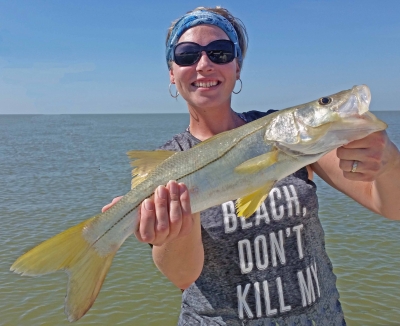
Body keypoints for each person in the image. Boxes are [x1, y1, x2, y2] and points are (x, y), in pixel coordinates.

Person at [102, 6, 400, 325]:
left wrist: (389, 163)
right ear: (172, 73)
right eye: (187, 55)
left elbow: (393, 206)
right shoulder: (166, 165)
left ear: (237, 66)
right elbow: (182, 277)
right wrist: (172, 231)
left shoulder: (300, 144)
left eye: (220, 52)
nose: (204, 64)